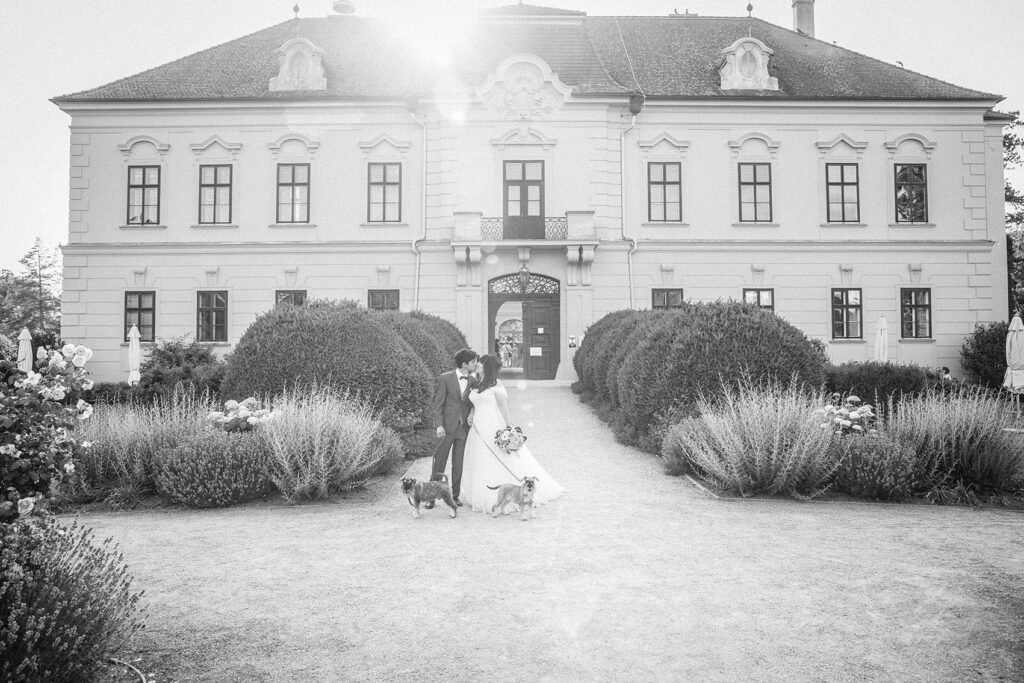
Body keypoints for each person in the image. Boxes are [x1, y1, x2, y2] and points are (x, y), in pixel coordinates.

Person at [459, 354, 565, 513]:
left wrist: (509, 429)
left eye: (480, 363)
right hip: (477, 428)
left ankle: (503, 496)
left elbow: (503, 407)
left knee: (497, 457)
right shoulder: (476, 382)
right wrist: (471, 414)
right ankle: (479, 492)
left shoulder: (496, 384)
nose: (477, 364)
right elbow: (475, 402)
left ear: (487, 366)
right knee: (478, 458)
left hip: (492, 425)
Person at [428, 348, 479, 506]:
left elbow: (474, 403)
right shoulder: (445, 378)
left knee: (458, 463)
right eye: (473, 362)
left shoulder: (473, 381)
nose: (476, 364)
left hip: (463, 429)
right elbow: (438, 405)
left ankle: (454, 496)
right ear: (464, 364)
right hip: (446, 428)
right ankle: (430, 497)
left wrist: (471, 414)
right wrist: (439, 426)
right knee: (439, 463)